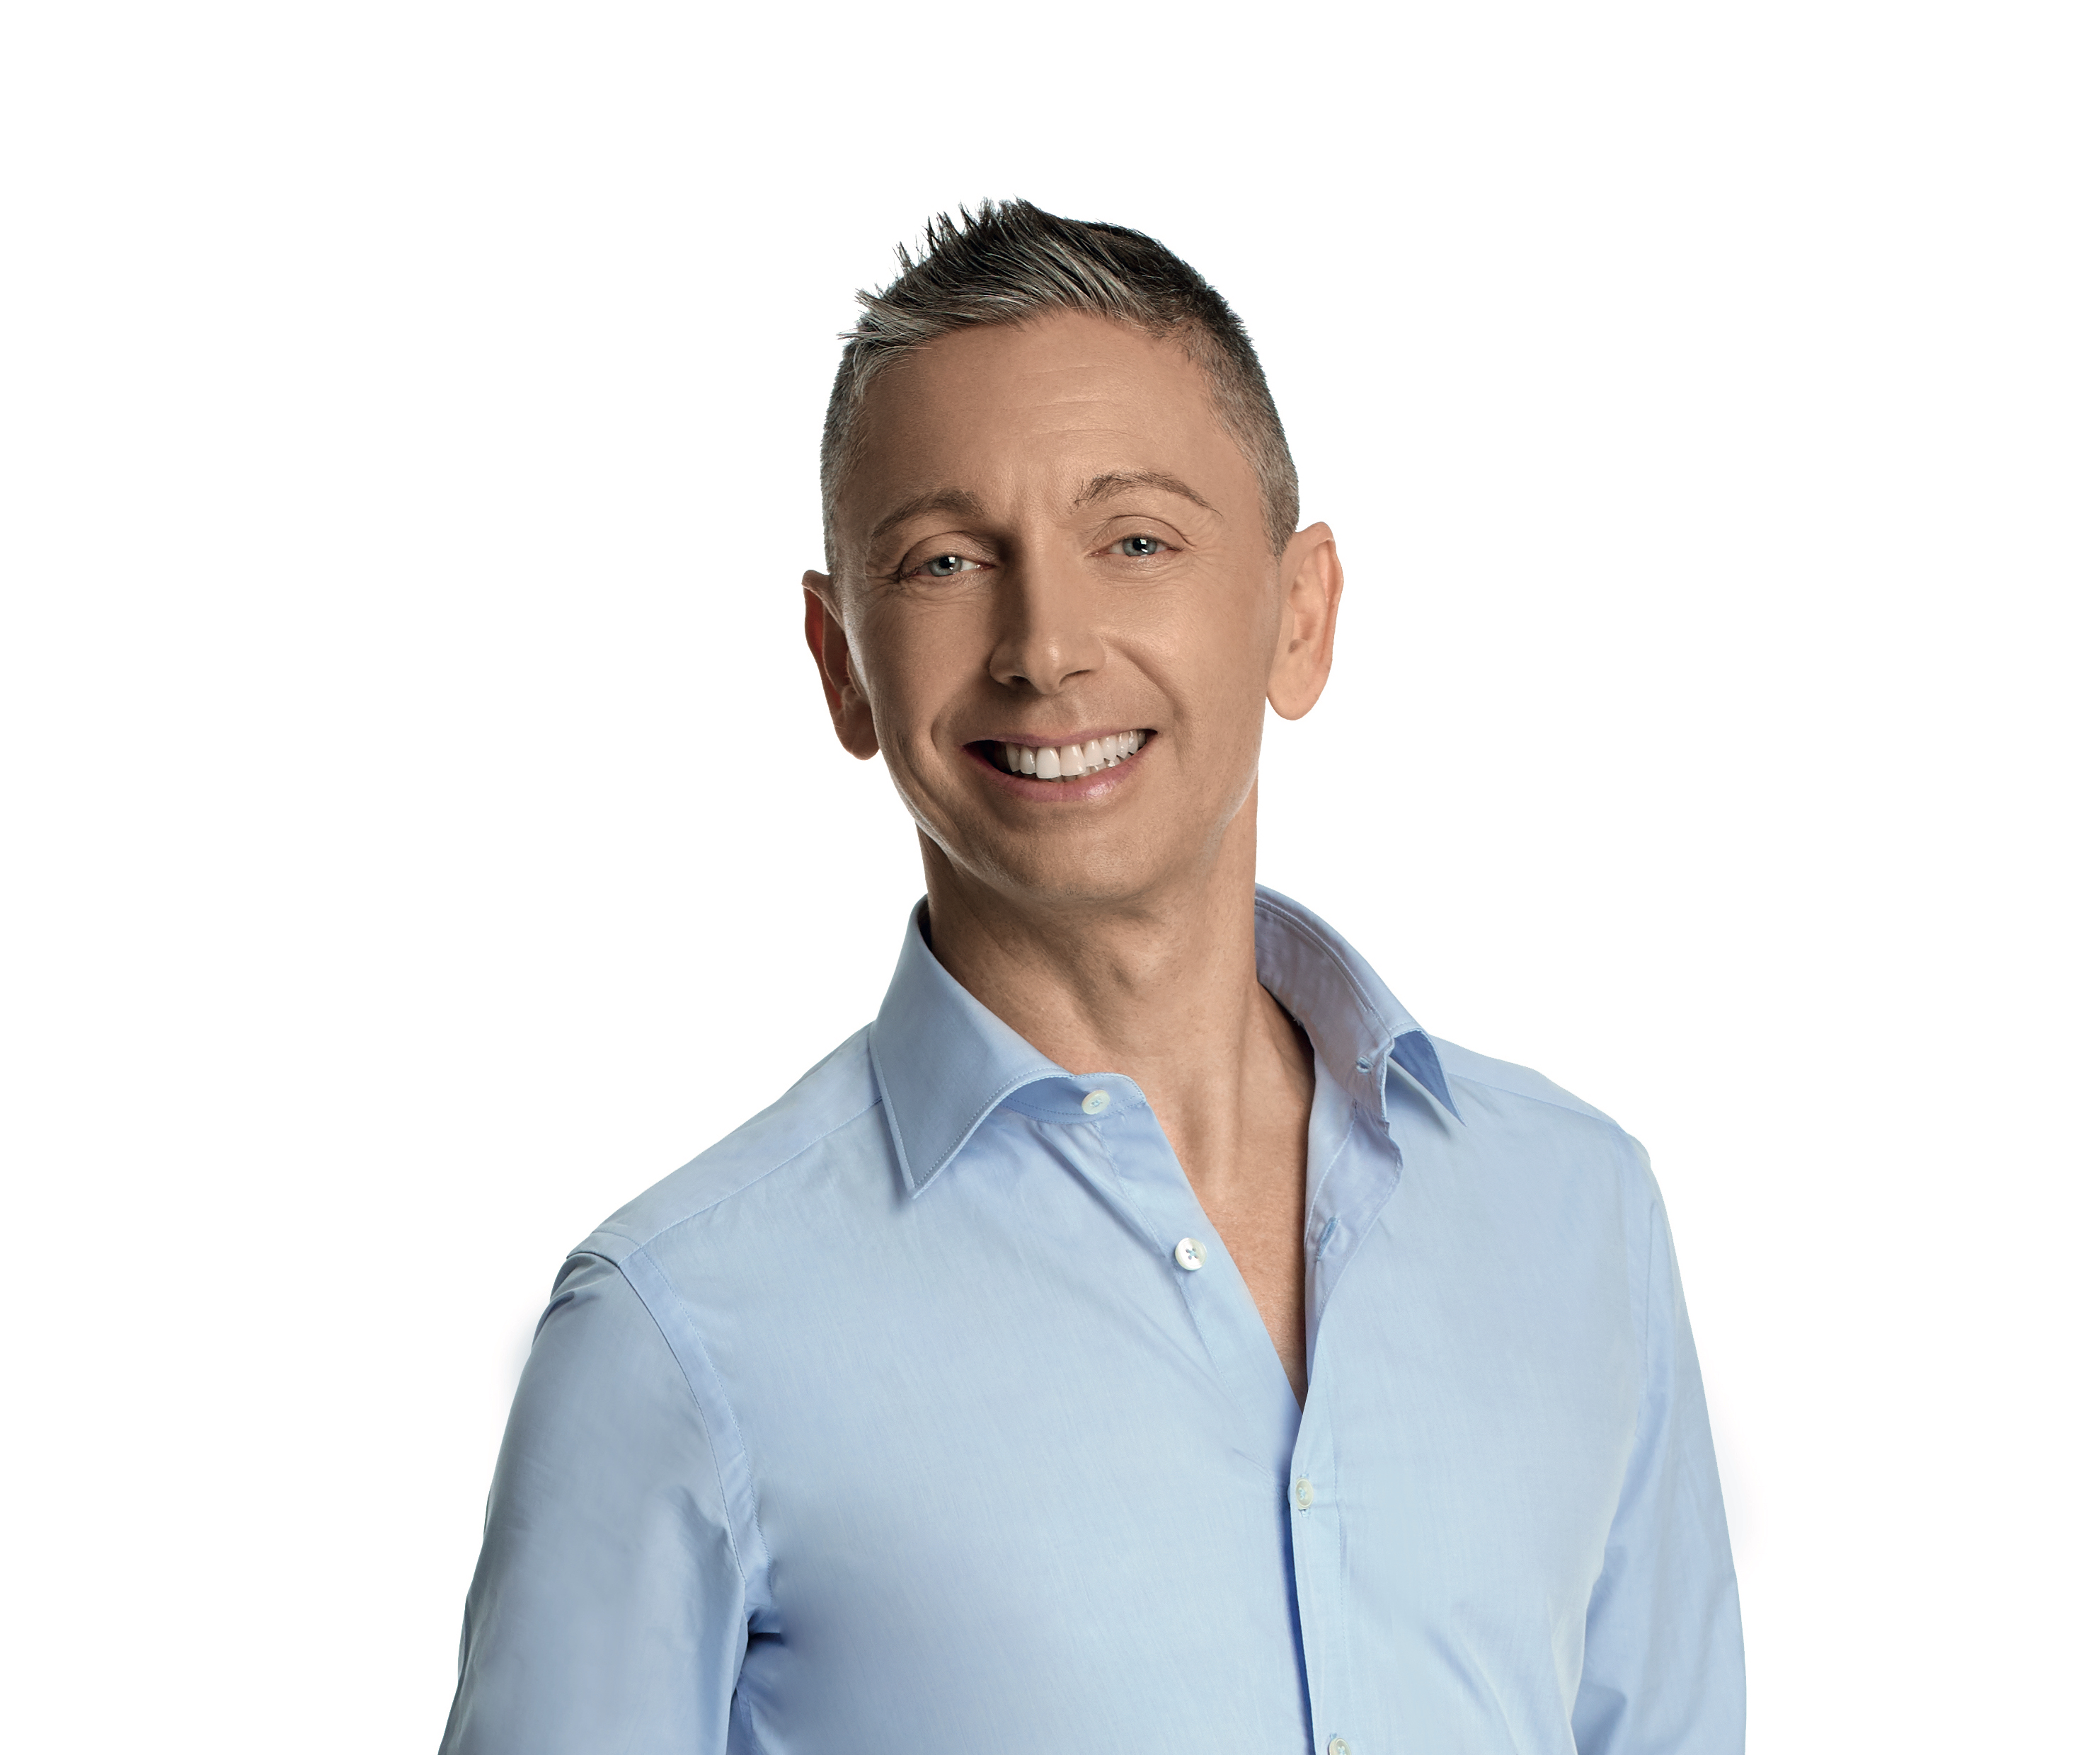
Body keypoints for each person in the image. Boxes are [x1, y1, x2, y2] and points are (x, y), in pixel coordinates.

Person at [440, 199, 1744, 1755]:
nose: (1045, 646)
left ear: (1301, 614)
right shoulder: (672, 1333)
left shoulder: (1575, 1213)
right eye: (943, 560)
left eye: (1134, 541)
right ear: (841, 664)